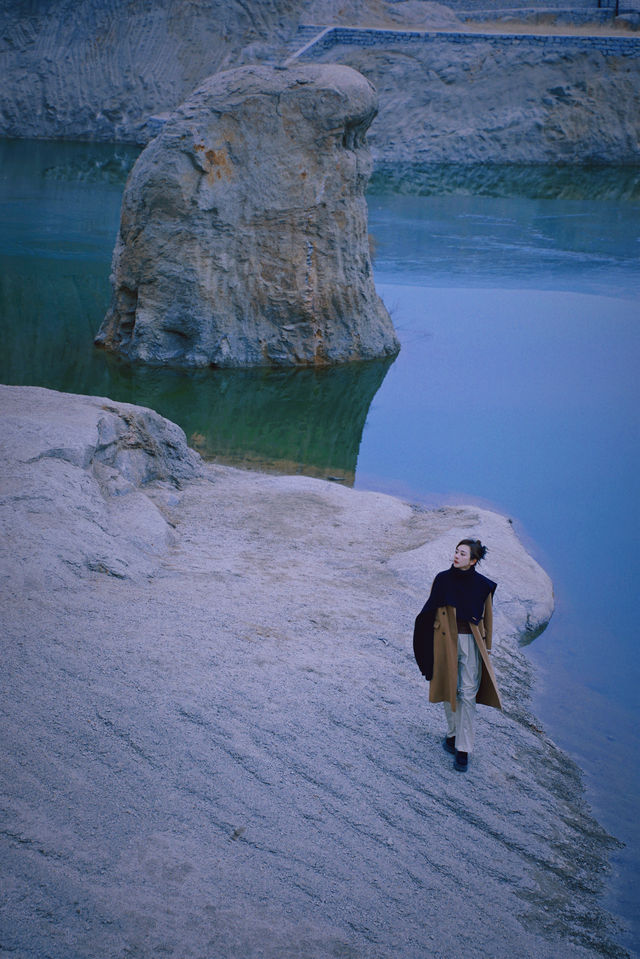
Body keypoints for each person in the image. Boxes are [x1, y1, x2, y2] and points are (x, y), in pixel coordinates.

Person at [413, 539, 501, 772]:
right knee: (447, 687)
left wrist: (487, 646)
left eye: (463, 554)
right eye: (456, 552)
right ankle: (452, 734)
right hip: (444, 641)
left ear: (473, 561)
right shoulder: (442, 579)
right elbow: (430, 609)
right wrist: (427, 643)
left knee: (468, 693)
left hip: (471, 643)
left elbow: (488, 618)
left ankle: (463, 748)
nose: (457, 556)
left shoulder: (483, 585)